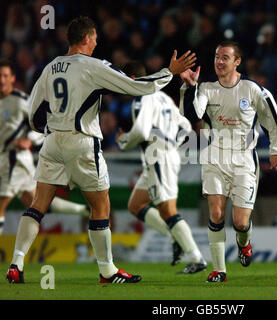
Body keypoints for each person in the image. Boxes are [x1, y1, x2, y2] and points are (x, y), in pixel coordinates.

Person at [6, 16, 196, 284]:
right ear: (85, 38)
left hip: (52, 142)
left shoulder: (50, 67)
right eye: (94, 38)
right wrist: (170, 72)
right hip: (82, 141)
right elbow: (135, 85)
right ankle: (107, 271)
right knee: (100, 206)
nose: (97, 42)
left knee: (38, 205)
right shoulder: (92, 66)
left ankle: (16, 264)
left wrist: (48, 130)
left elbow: (33, 113)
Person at [179, 40, 277, 282]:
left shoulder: (252, 89)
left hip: (243, 160)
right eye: (217, 56)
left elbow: (272, 117)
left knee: (240, 221)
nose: (219, 61)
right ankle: (219, 270)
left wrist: (276, 149)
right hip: (214, 156)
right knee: (216, 214)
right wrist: (190, 87)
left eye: (225, 57)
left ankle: (244, 243)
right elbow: (192, 115)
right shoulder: (206, 88)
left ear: (237, 61)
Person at [116, 61, 207, 274]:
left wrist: (123, 141)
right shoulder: (162, 96)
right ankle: (175, 237)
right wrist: (171, 141)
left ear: (131, 80)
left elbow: (140, 131)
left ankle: (196, 257)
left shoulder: (142, 96)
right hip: (162, 155)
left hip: (159, 156)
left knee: (167, 210)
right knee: (136, 205)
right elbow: (185, 125)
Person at [0, 60, 90, 235]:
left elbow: (49, 124)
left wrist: (30, 140)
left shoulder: (22, 101)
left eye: (5, 76)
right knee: (37, 203)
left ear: (12, 78)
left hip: (14, 159)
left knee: (1, 202)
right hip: (7, 160)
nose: (1, 80)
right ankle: (83, 210)